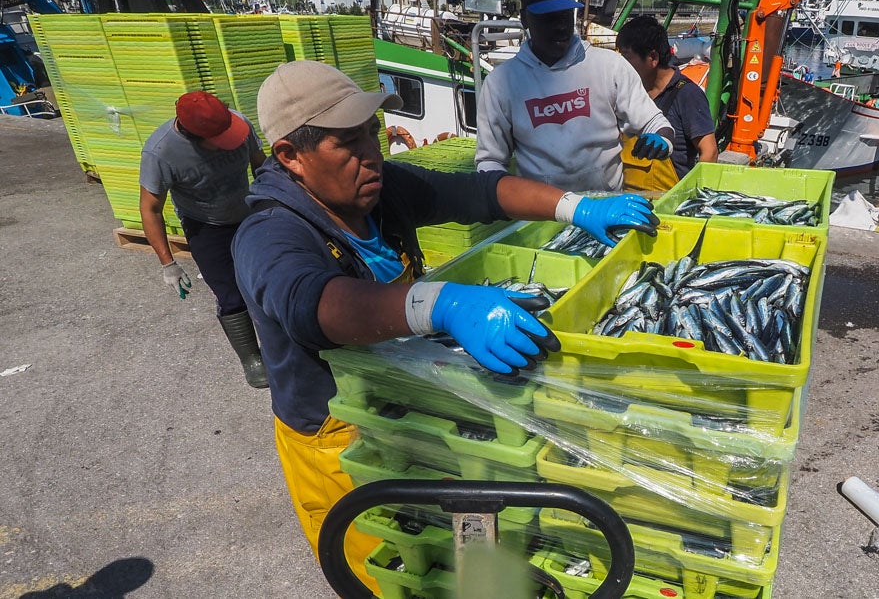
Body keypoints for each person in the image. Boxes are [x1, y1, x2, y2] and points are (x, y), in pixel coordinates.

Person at [231, 60, 658, 590]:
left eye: (372, 133)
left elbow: (480, 193)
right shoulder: (268, 234)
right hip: (339, 442)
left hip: (409, 411)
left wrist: (576, 207)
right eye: (347, 143)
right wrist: (444, 304)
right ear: (291, 157)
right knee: (390, 575)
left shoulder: (381, 193)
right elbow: (315, 305)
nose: (372, 155)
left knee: (451, 566)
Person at [476, 0, 674, 192]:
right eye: (548, 18)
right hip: (540, 215)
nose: (560, 26)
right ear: (524, 19)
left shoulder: (610, 66)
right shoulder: (501, 83)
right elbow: (491, 160)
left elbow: (655, 123)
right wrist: (497, 195)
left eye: (564, 15)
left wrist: (663, 140)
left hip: (605, 207)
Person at [139, 90, 269, 388]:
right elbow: (150, 209)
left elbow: (260, 164)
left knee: (269, 280)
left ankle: (282, 344)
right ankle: (252, 358)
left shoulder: (239, 125)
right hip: (207, 226)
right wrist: (167, 263)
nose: (228, 140)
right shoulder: (161, 153)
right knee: (231, 294)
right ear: (192, 135)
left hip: (249, 211)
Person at [615, 15, 718, 185]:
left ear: (653, 58)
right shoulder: (627, 92)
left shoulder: (687, 94)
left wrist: (691, 197)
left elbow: (710, 152)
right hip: (629, 200)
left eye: (627, 57)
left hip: (669, 200)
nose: (620, 65)